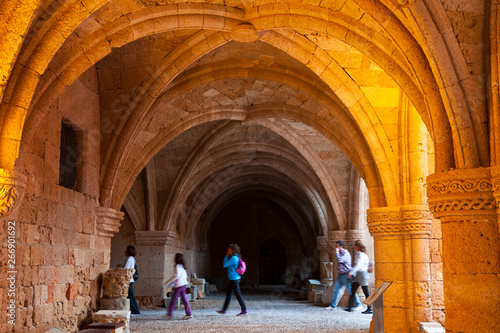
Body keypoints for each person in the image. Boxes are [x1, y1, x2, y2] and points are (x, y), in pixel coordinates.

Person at [324, 240, 362, 311]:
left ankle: (358, 304)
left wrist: (337, 252)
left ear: (341, 246)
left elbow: (340, 260)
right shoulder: (340, 253)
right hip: (340, 275)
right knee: (335, 290)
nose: (336, 248)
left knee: (350, 290)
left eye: (337, 246)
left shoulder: (345, 253)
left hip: (345, 275)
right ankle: (333, 306)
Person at [216, 244, 247, 316]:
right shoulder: (236, 257)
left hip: (234, 279)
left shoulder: (233, 258)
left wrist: (226, 256)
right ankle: (224, 310)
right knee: (229, 294)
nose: (228, 251)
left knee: (237, 294)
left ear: (233, 251)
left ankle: (244, 309)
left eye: (229, 250)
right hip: (234, 278)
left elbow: (224, 265)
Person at [344, 240, 372, 314]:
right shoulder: (359, 254)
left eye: (355, 245)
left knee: (366, 291)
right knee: (353, 290)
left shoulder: (361, 255)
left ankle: (370, 308)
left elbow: (358, 265)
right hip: (359, 274)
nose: (353, 246)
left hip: (362, 274)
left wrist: (351, 273)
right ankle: (349, 307)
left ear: (358, 246)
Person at [163, 253, 193, 320]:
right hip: (183, 284)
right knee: (184, 299)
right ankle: (188, 313)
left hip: (179, 285)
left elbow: (177, 276)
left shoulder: (177, 266)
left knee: (174, 299)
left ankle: (169, 314)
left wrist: (167, 282)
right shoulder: (182, 266)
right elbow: (184, 276)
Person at [124, 246, 140, 315]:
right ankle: (133, 309)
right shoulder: (132, 259)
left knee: (131, 296)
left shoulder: (130, 259)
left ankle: (136, 311)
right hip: (131, 279)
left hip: (129, 280)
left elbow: (126, 269)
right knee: (129, 296)